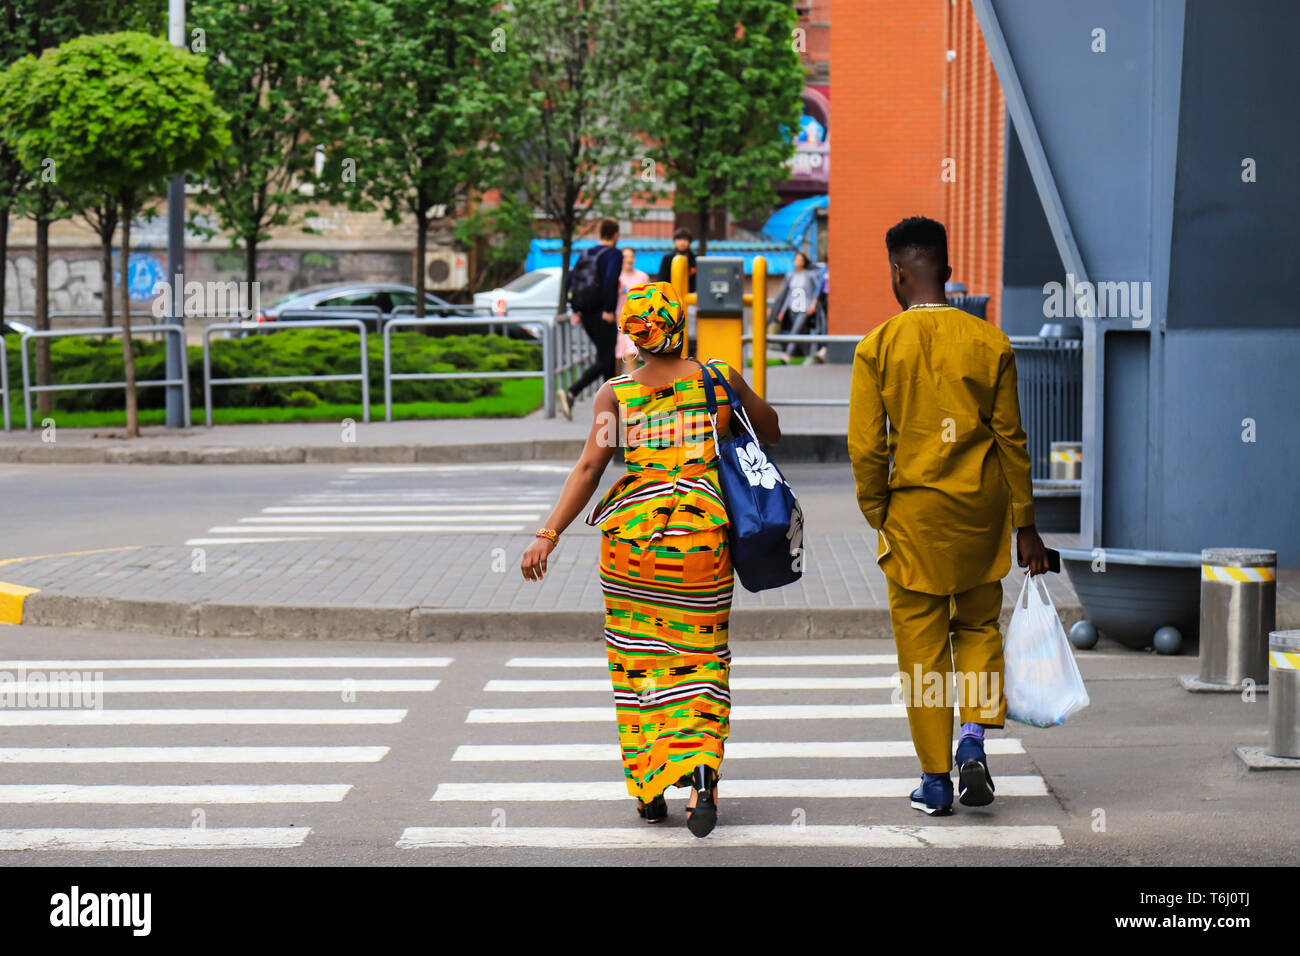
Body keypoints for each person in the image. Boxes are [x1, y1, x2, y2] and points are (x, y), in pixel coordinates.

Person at [521, 281, 780, 839]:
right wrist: (731, 405)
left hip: (630, 546)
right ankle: (703, 780)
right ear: (678, 323)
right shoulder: (718, 379)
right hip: (700, 540)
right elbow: (771, 430)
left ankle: (651, 788)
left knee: (642, 661)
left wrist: (548, 534)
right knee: (702, 658)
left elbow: (590, 469)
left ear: (633, 333)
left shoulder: (616, 394)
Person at [847, 216, 1048, 818]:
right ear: (949, 272)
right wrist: (1026, 525)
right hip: (981, 516)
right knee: (979, 629)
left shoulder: (876, 347)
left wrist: (878, 510)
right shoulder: (991, 342)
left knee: (922, 647)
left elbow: (865, 447)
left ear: (897, 275)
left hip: (913, 517)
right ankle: (974, 741)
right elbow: (1011, 439)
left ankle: (935, 780)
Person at [556, 218, 622, 420]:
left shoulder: (586, 253)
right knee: (605, 360)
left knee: (607, 360)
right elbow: (611, 281)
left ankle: (610, 410)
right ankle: (571, 392)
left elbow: (569, 280)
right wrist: (610, 309)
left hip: (586, 315)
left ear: (600, 233)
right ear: (616, 235)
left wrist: (575, 309)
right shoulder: (613, 255)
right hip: (603, 314)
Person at [769, 250, 825, 361]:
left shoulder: (809, 275)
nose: (798, 262)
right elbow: (787, 295)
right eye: (797, 260)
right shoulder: (790, 276)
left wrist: (813, 304)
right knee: (799, 332)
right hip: (792, 308)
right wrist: (782, 311)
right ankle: (807, 355)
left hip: (804, 308)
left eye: (801, 260)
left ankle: (788, 355)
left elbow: (815, 290)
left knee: (796, 330)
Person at [614, 248, 649, 375]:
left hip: (636, 321)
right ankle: (615, 387)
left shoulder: (642, 276)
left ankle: (630, 387)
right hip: (618, 321)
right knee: (617, 357)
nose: (629, 260)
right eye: (626, 257)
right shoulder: (615, 276)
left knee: (631, 353)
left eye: (631, 257)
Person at [654, 227, 697, 293]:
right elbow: (661, 280)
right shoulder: (667, 258)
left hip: (691, 297)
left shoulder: (695, 259)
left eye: (685, 240)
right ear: (675, 241)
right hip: (671, 297)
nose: (682, 243)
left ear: (690, 242)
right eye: (679, 239)